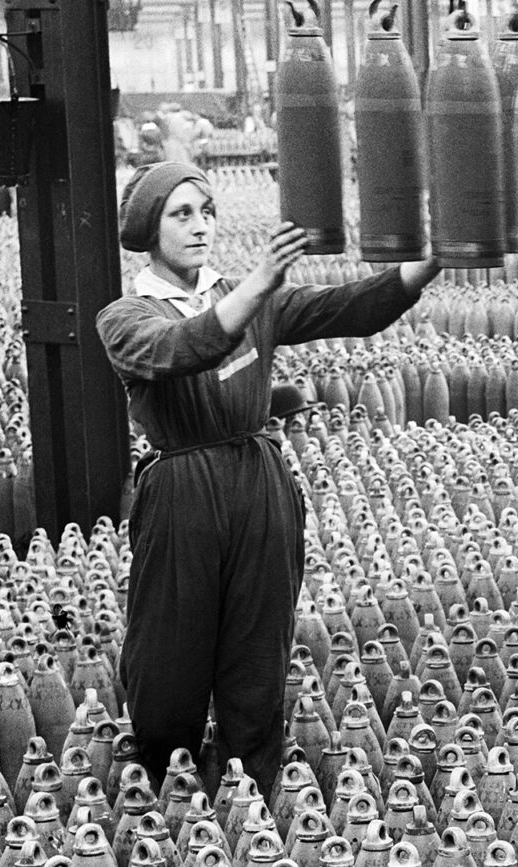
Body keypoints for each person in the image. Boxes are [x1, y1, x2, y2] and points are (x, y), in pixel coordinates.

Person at [95, 161, 441, 801]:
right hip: (182, 493)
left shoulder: (249, 299)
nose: (202, 226)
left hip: (260, 482)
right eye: (182, 214)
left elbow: (348, 308)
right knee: (169, 659)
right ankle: (166, 801)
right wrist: (255, 286)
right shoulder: (125, 317)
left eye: (207, 211)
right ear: (149, 229)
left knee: (258, 654)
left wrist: (427, 265)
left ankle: (247, 799)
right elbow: (183, 348)